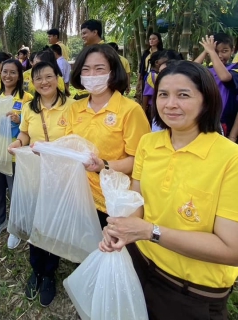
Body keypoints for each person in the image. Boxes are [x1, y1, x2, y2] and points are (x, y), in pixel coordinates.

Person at [99, 60, 238, 320]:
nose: (169, 104)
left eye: (183, 95)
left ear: (206, 101)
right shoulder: (149, 144)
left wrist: (150, 232)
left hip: (191, 291)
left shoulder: (231, 159)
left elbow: (232, 250)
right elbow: (138, 203)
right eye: (163, 94)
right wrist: (121, 229)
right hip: (140, 264)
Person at [8, 61, 75, 307]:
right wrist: (18, 143)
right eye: (38, 79)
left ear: (58, 77)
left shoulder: (73, 107)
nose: (44, 82)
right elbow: (24, 135)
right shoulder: (28, 108)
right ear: (32, 83)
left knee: (55, 222)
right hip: (35, 174)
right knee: (37, 223)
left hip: (62, 175)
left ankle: (50, 273)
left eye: (49, 76)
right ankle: (36, 270)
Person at [67, 44, 150, 229]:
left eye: (99, 69)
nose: (92, 75)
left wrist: (103, 165)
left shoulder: (130, 110)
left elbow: (139, 161)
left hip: (113, 200)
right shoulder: (74, 108)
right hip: (81, 193)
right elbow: (71, 147)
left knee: (108, 248)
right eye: (86, 70)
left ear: (112, 72)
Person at [0, 59, 33, 249]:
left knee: (15, 191)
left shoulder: (27, 98)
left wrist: (18, 118)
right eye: (5, 71)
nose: (8, 76)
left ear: (19, 75)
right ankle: (0, 221)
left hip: (14, 152)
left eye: (13, 72)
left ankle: (16, 227)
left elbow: (30, 124)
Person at [194, 33, 238, 139]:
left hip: (224, 120)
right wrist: (206, 51)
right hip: (205, 118)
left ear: (232, 51)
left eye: (224, 51)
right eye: (216, 51)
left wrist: (212, 52)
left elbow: (224, 77)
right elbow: (189, 70)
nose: (219, 55)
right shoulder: (208, 70)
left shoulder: (235, 69)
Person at [137, 32, 163, 103]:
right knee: (145, 95)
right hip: (146, 75)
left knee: (155, 94)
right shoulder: (146, 52)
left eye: (154, 39)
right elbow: (141, 67)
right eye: (150, 39)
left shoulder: (162, 53)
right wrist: (139, 80)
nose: (151, 41)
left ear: (158, 40)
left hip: (157, 75)